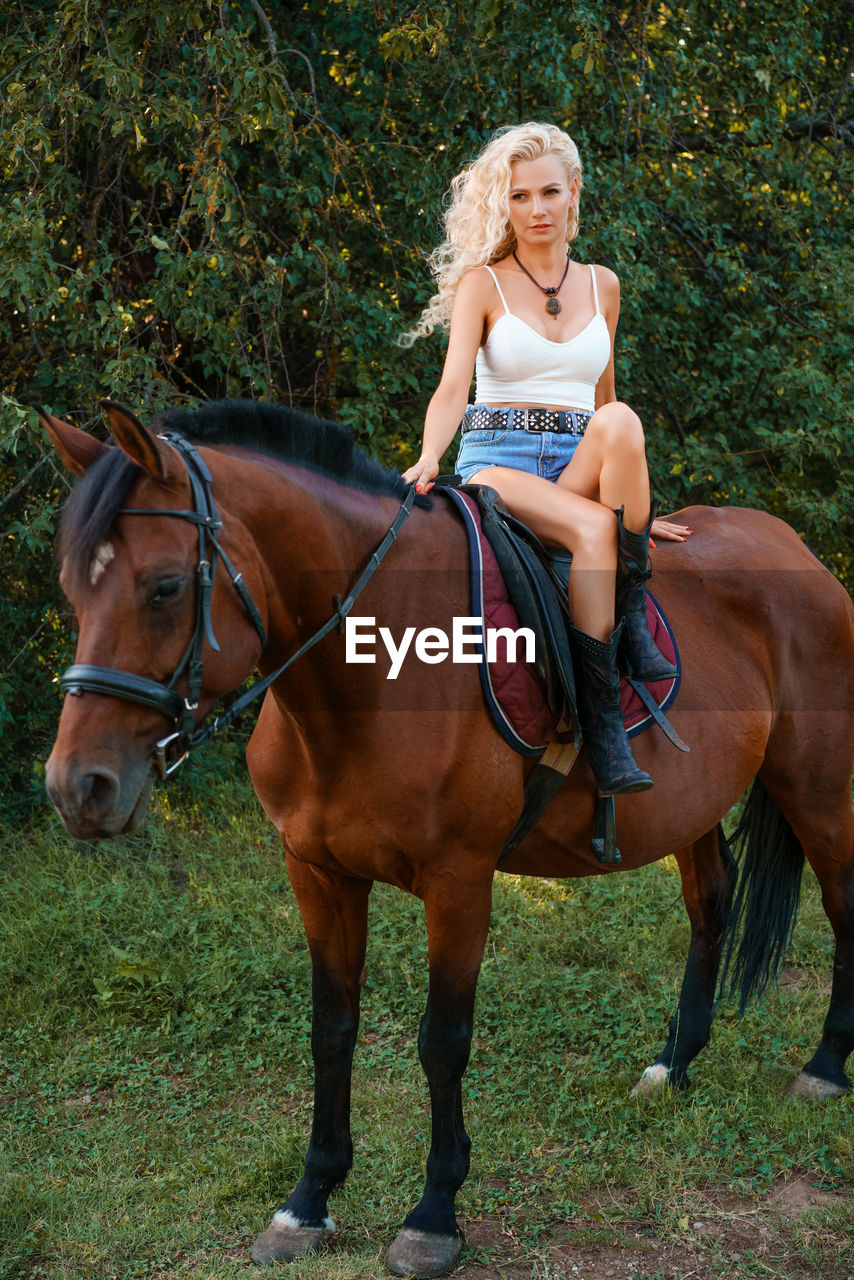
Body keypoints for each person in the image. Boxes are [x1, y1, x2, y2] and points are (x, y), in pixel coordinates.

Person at [402, 122, 692, 796]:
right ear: (505, 204)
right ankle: (603, 726)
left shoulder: (603, 285)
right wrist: (427, 456)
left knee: (621, 420)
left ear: (573, 194)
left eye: (548, 193)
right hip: (499, 464)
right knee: (593, 530)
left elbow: (607, 403)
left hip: (577, 459)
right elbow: (452, 389)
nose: (535, 209)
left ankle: (634, 593)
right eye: (520, 195)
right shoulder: (484, 284)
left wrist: (640, 507)